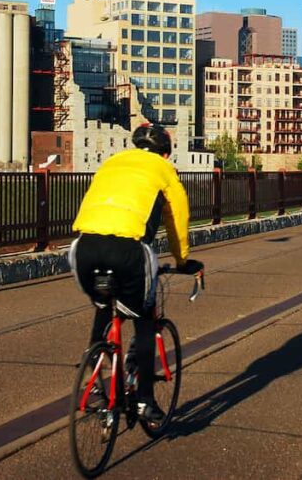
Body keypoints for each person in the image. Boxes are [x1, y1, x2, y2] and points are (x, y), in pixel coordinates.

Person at [69, 123, 199, 425]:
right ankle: (144, 401)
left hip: (84, 246)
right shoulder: (163, 170)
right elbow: (177, 217)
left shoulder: (112, 163)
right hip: (127, 248)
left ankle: (97, 371)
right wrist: (182, 260)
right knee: (143, 321)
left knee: (104, 304)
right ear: (165, 154)